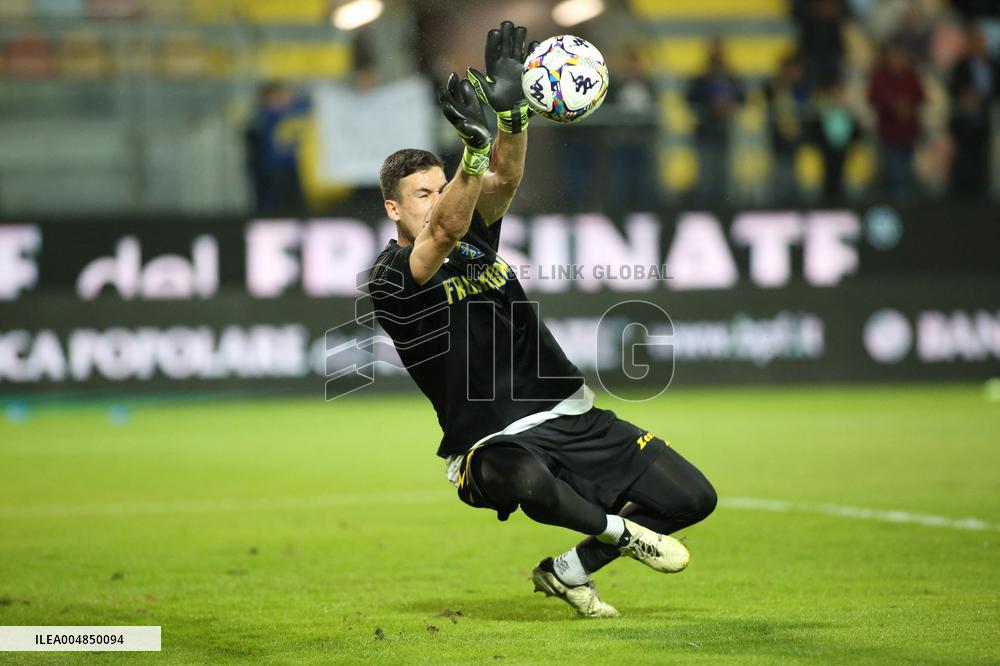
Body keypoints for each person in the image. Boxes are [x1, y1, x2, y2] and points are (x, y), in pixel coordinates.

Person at [365, 21, 716, 618]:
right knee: (524, 478)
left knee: (692, 498)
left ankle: (568, 571)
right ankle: (619, 533)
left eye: (440, 185)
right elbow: (445, 228)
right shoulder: (392, 274)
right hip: (489, 442)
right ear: (393, 208)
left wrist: (513, 116)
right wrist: (471, 155)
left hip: (570, 414)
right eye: (422, 193)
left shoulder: (474, 235)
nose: (438, 197)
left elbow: (503, 179)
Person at [686, 38, 745, 201]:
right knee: (706, 174)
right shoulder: (702, 77)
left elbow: (742, 97)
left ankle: (722, 208)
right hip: (705, 132)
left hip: (723, 131)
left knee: (723, 174)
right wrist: (710, 106)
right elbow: (690, 98)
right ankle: (705, 206)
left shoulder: (730, 76)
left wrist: (728, 106)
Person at [867, 41, 926, 197]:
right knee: (894, 168)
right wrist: (893, 105)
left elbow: (921, 96)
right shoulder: (880, 76)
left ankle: (907, 201)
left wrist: (908, 105)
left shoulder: (911, 75)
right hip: (889, 130)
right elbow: (873, 97)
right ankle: (897, 201)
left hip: (909, 129)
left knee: (906, 166)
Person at [948, 26, 997, 197]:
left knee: (982, 155)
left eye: (981, 42)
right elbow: (954, 87)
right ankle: (962, 192)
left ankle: (981, 191)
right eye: (975, 42)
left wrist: (982, 99)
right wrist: (966, 95)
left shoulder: (992, 64)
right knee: (964, 156)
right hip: (964, 117)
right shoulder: (961, 64)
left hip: (984, 116)